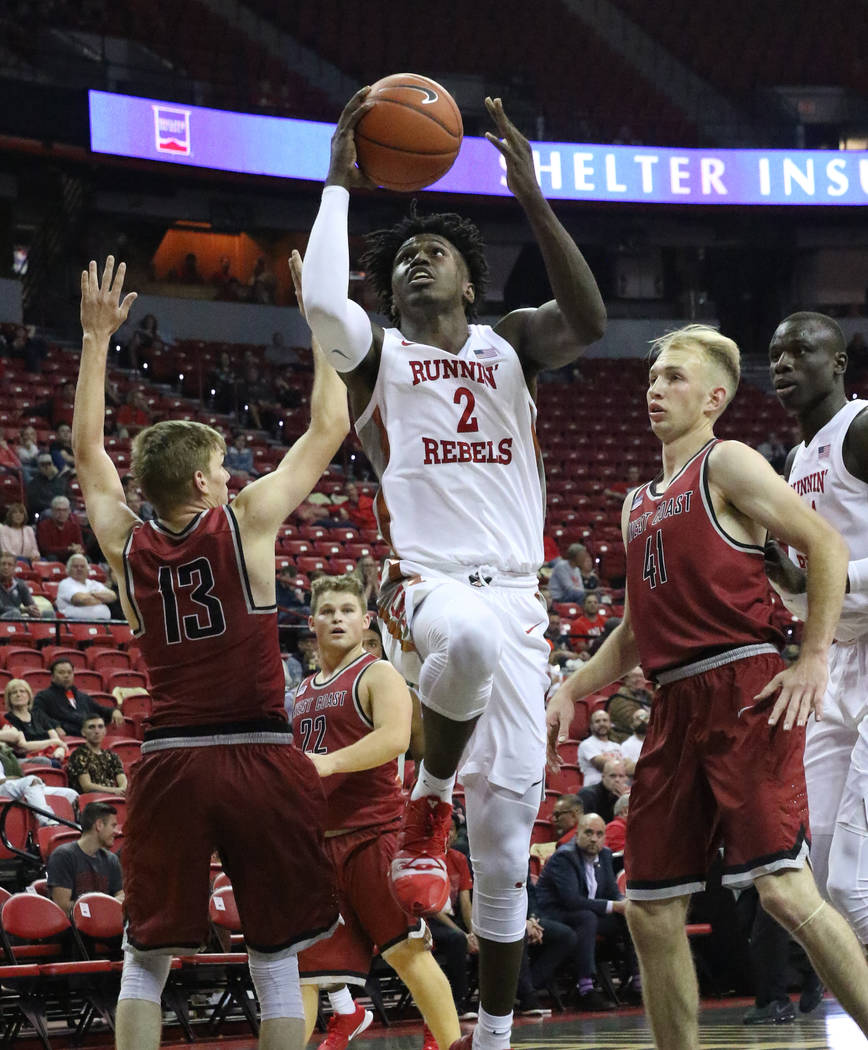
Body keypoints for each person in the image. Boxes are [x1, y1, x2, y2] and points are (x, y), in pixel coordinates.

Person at [303, 89, 605, 1050]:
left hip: (522, 596)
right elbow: (318, 299)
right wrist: (338, 184)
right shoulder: (375, 355)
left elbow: (590, 320)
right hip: (426, 578)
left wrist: (532, 196)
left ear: (472, 286)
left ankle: (496, 1037)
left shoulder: (508, 342)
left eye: (432, 253)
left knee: (510, 855)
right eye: (400, 261)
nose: (415, 260)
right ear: (388, 296)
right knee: (463, 641)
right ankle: (427, 805)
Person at [546, 323, 868, 1048]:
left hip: (744, 687)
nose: (657, 388)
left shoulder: (730, 463)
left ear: (715, 397)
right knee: (649, 909)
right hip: (673, 703)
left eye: (675, 378)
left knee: (785, 889)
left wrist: (812, 655)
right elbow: (632, 633)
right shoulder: (636, 503)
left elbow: (826, 544)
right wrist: (574, 690)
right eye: (653, 377)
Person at [72, 254, 347, 1050]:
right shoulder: (247, 522)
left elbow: (89, 455)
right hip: (259, 752)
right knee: (275, 958)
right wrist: (319, 320)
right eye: (222, 467)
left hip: (171, 759)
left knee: (143, 958)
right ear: (199, 482)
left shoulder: (125, 544)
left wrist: (96, 342)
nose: (233, 476)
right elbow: (327, 426)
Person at [293, 574, 460, 1050]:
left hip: (375, 834)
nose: (338, 618)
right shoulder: (302, 691)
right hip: (321, 846)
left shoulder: (377, 673)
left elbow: (394, 739)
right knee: (303, 974)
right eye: (328, 611)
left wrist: (328, 763)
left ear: (365, 620)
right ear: (312, 623)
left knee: (407, 952)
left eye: (347, 610)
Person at [766, 311, 868, 943]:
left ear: (838, 364)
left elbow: (829, 583)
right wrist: (784, 581)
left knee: (853, 885)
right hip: (838, 658)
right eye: (775, 354)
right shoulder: (800, 456)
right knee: (822, 869)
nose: (784, 363)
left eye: (801, 351)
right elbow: (811, 595)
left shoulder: (859, 427)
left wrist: (828, 583)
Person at [535, 814, 639, 1009]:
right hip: (555, 914)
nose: (594, 838)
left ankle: (638, 982)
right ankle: (586, 989)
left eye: (599, 834)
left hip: (585, 914)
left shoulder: (606, 855)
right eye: (589, 833)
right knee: (587, 918)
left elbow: (611, 891)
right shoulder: (564, 857)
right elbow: (571, 900)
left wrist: (623, 903)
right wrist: (614, 906)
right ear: (577, 833)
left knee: (629, 916)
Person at [47, 801, 124, 914]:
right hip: (73, 930)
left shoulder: (111, 859)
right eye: (113, 826)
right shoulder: (63, 856)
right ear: (99, 825)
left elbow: (121, 897)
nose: (116, 832)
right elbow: (62, 907)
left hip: (105, 926)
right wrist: (104, 906)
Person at [33, 657, 123, 736]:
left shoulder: (82, 697)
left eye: (69, 672)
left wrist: (113, 711)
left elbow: (100, 710)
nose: (66, 676)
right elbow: (38, 714)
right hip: (66, 737)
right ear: (52, 677)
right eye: (61, 672)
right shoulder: (43, 696)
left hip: (86, 737)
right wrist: (55, 726)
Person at [0, 741, 79, 825]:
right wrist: (21, 780)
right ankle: (48, 821)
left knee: (70, 794)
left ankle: (77, 829)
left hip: (10, 787)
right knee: (31, 780)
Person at [3, 679, 68, 762]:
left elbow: (56, 739)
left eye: (22, 691)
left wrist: (59, 750)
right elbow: (23, 747)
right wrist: (52, 742)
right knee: (45, 761)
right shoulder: (8, 719)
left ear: (29, 696)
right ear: (9, 698)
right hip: (25, 759)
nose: (18, 694)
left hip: (49, 755)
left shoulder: (39, 715)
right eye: (14, 692)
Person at [67, 715, 127, 794]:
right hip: (91, 802)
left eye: (100, 727)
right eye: (91, 727)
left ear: (105, 731)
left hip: (113, 797)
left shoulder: (112, 755)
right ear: (83, 732)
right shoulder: (78, 755)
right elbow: (87, 786)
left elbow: (122, 778)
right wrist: (114, 791)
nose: (96, 731)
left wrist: (122, 789)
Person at [56, 553, 116, 620]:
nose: (79, 569)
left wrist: (91, 595)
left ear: (88, 569)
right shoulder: (65, 583)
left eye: (82, 566)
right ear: (68, 569)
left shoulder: (93, 583)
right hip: (74, 622)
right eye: (75, 566)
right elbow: (80, 600)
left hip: (102, 622)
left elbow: (112, 596)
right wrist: (101, 599)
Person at [529, 793, 583, 867]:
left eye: (557, 815)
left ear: (573, 815)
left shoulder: (566, 842)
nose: (553, 819)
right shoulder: (596, 833)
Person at [577, 710, 622, 787]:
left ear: (610, 724)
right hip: (594, 788)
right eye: (597, 721)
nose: (602, 724)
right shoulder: (587, 744)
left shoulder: (617, 746)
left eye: (605, 720)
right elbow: (603, 764)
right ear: (591, 726)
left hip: (615, 788)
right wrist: (623, 765)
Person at [606, 667, 652, 743]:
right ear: (626, 680)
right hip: (627, 738)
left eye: (641, 676)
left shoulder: (649, 695)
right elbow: (634, 721)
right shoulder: (620, 697)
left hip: (647, 734)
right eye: (635, 676)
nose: (639, 679)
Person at [578, 758, 630, 824]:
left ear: (626, 779)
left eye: (621, 776)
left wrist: (623, 801)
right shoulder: (588, 794)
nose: (617, 780)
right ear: (603, 777)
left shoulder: (625, 796)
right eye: (612, 776)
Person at [35, 495, 84, 562]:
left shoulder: (74, 526)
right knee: (52, 558)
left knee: (84, 558)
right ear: (52, 511)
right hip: (52, 557)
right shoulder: (43, 526)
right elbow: (45, 549)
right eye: (58, 510)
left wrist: (78, 549)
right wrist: (68, 549)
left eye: (64, 510)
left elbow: (81, 546)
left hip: (70, 557)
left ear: (69, 511)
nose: (61, 513)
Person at [26, 452, 68, 518]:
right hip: (45, 511)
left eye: (49, 464)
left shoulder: (61, 481)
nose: (46, 467)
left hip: (63, 508)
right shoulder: (33, 483)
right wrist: (54, 507)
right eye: (43, 465)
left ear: (53, 465)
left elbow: (69, 496)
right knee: (51, 513)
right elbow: (34, 502)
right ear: (39, 467)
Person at [0, 550, 40, 618]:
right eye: (3, 564)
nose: (6, 567)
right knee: (15, 613)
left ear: (15, 567)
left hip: (16, 617)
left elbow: (30, 605)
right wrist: (24, 610)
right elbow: (2, 609)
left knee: (47, 614)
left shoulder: (20, 584)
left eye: (9, 564)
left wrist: (34, 611)